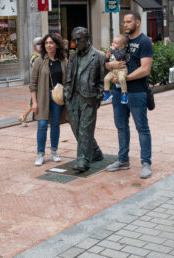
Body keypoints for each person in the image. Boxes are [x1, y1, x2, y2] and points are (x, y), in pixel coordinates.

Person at [105, 11, 154, 179]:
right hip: (118, 92)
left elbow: (145, 69)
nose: (125, 25)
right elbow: (109, 62)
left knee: (142, 127)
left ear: (137, 23)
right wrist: (111, 69)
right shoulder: (120, 41)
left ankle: (146, 163)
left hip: (137, 92)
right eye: (124, 22)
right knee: (121, 126)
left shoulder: (144, 41)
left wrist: (124, 78)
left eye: (128, 22)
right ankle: (123, 160)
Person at [64, 27, 105, 172]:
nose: (75, 43)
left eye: (78, 40)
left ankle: (82, 160)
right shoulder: (73, 57)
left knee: (85, 129)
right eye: (74, 40)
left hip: (89, 98)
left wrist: (99, 96)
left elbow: (102, 80)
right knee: (76, 128)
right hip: (73, 98)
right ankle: (95, 151)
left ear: (86, 39)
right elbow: (68, 79)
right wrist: (66, 95)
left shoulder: (99, 56)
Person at [30, 33, 67, 166]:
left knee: (55, 124)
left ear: (57, 45)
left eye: (51, 43)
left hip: (57, 97)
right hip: (42, 97)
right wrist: (34, 102)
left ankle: (54, 151)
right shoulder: (39, 60)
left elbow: (67, 80)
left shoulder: (63, 60)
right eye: (46, 43)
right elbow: (33, 83)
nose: (48, 45)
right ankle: (40, 154)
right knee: (42, 125)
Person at [18, 37, 42, 127]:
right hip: (37, 82)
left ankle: (23, 117)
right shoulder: (34, 57)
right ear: (34, 46)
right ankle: (23, 116)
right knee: (34, 102)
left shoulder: (39, 55)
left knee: (34, 101)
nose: (41, 46)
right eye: (39, 44)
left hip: (39, 82)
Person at [103, 35, 128, 104]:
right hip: (113, 70)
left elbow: (119, 57)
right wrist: (107, 56)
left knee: (121, 79)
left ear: (122, 46)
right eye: (113, 42)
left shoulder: (123, 51)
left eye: (116, 43)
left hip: (121, 70)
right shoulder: (113, 51)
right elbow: (106, 61)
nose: (113, 44)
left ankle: (124, 94)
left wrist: (113, 50)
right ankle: (107, 93)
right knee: (106, 79)